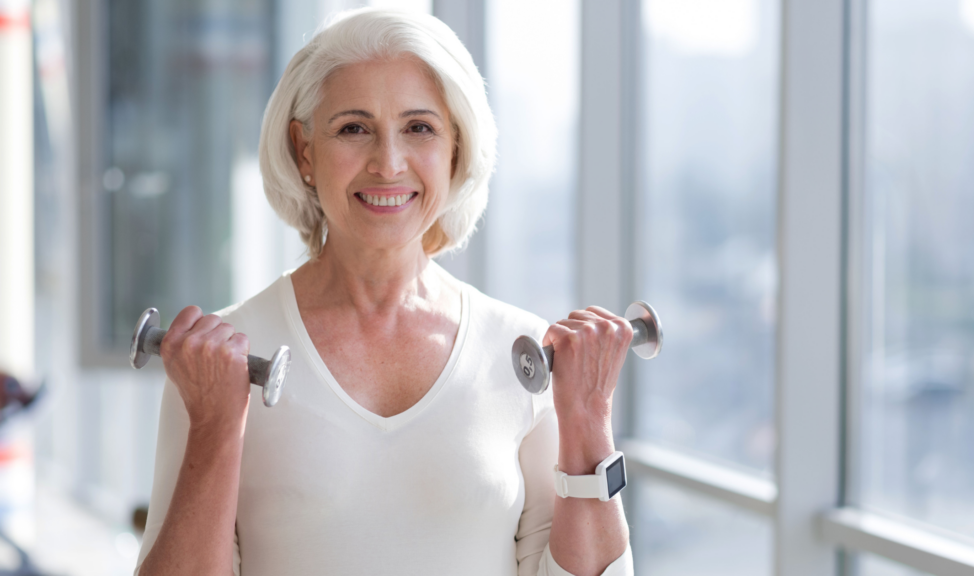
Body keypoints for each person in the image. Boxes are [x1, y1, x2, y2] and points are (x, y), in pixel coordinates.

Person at [136, 9, 634, 576]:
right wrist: (215, 426)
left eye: (419, 128)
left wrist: (589, 417)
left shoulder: (519, 352)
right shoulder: (219, 364)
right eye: (354, 127)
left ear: (455, 150)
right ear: (304, 152)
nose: (388, 163)